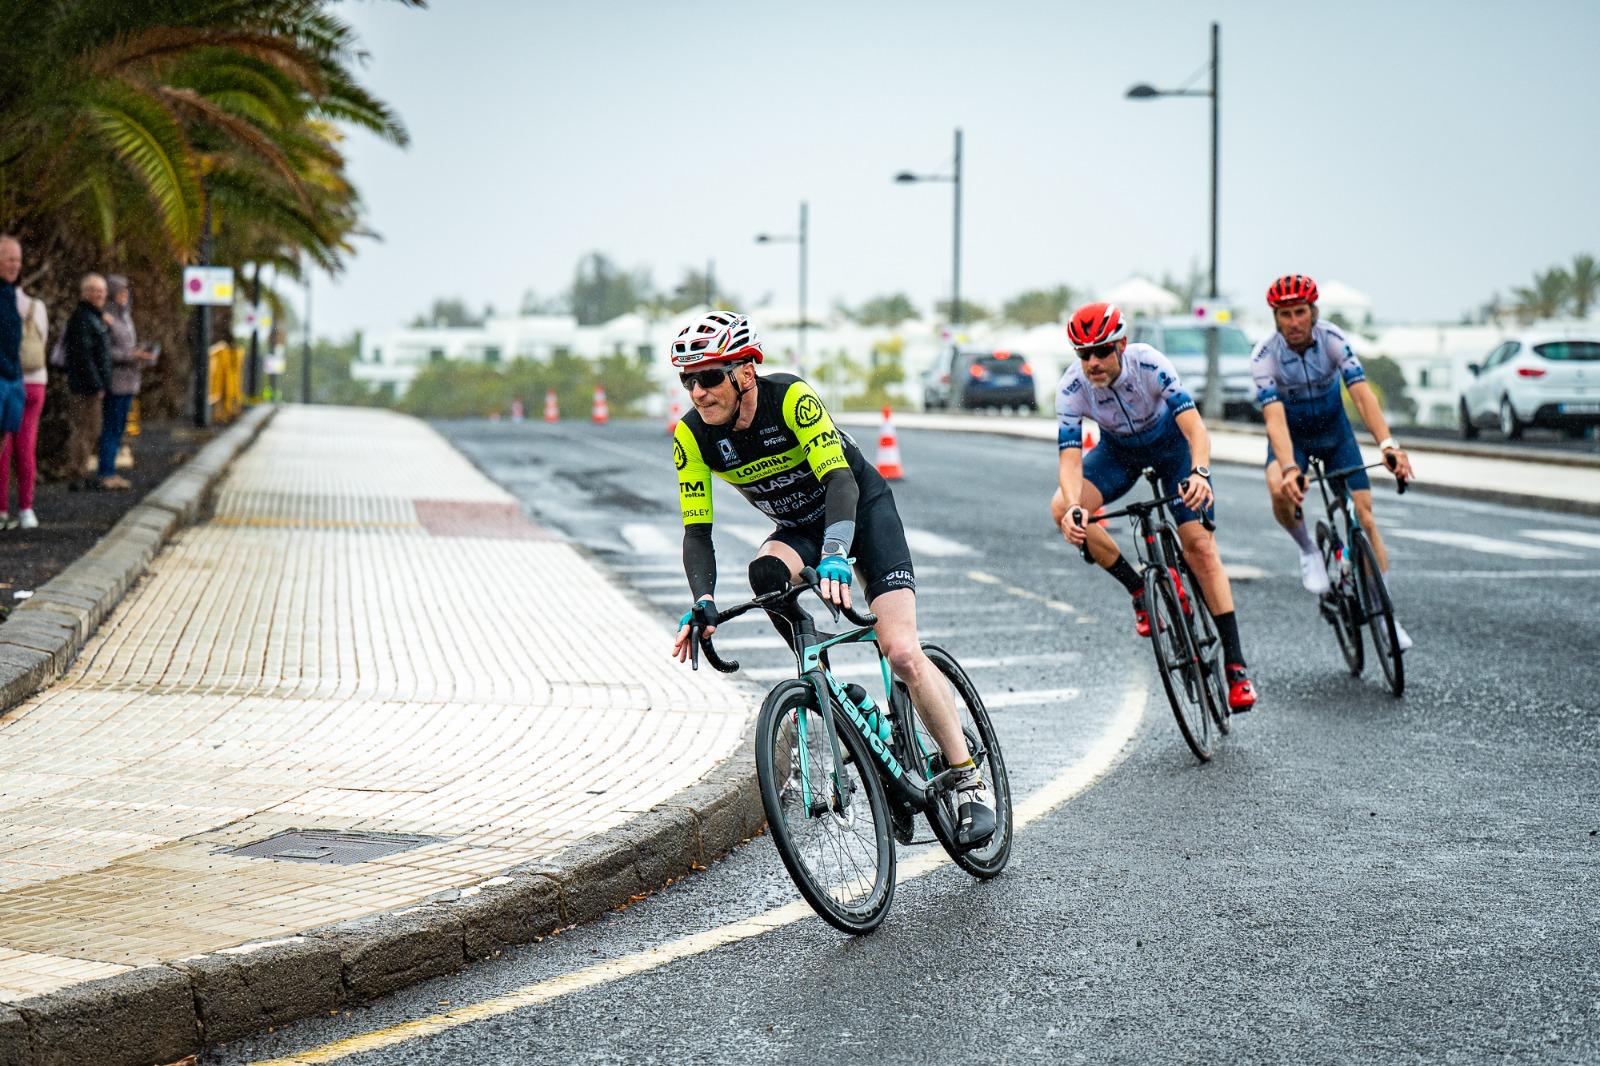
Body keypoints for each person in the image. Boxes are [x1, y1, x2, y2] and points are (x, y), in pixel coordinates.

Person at [666, 310, 995, 845]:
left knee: (902, 652)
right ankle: (843, 703)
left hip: (861, 512)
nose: (697, 392)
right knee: (767, 575)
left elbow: (840, 478)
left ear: (745, 371)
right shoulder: (692, 436)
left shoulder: (792, 399)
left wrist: (839, 552)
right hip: (798, 527)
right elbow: (697, 532)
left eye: (707, 376)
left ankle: (966, 780)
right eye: (687, 380)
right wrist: (701, 600)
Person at [1049, 302, 1257, 712]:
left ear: (1121, 344)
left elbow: (1196, 429)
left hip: (1172, 450)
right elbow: (1070, 460)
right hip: (1118, 454)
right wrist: (1075, 507)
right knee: (1060, 508)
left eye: (1102, 351)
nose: (1092, 362)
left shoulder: (1150, 364)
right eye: (1083, 354)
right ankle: (1139, 588)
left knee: (1198, 546)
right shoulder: (1072, 388)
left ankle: (1236, 667)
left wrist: (1199, 473)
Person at [1251, 274, 1414, 649]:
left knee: (1366, 516)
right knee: (1278, 487)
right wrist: (1291, 468)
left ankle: (1385, 614)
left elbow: (1360, 394)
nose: (1294, 322)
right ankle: (1309, 549)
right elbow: (1273, 418)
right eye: (1285, 314)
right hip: (1294, 437)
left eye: (1300, 312)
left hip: (1335, 434)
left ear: (1313, 312)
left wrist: (1387, 443)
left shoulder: (1333, 340)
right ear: (1275, 318)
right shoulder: (1264, 356)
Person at [0, 236, 47, 528]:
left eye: (18, 259)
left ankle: (8, 509)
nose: (16, 264)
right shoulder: (33, 305)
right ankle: (23, 509)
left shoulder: (9, 295)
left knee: (10, 446)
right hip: (22, 379)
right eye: (9, 258)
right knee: (21, 446)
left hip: (17, 380)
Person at [97, 275, 153, 491]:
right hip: (115, 382)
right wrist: (132, 355)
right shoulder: (107, 317)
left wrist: (141, 353)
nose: (125, 295)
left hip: (130, 382)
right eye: (120, 292)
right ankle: (106, 472)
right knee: (111, 428)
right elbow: (106, 351)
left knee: (119, 429)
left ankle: (111, 471)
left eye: (126, 291)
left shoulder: (125, 317)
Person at [63, 273, 112, 491]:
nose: (101, 295)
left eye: (103, 291)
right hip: (84, 386)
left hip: (90, 384)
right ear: (86, 293)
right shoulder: (82, 317)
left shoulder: (94, 317)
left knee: (91, 429)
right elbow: (83, 355)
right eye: (96, 290)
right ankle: (77, 473)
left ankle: (82, 470)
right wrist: (96, 384)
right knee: (83, 429)